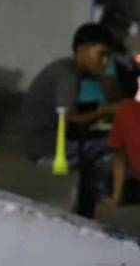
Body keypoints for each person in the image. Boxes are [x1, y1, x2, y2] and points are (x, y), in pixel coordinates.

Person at [22, 23, 120, 210]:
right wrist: (104, 112)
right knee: (115, 144)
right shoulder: (68, 77)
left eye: (108, 56)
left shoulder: (65, 68)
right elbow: (67, 119)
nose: (105, 62)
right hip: (49, 149)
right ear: (82, 50)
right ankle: (101, 195)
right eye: (101, 54)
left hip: (40, 143)